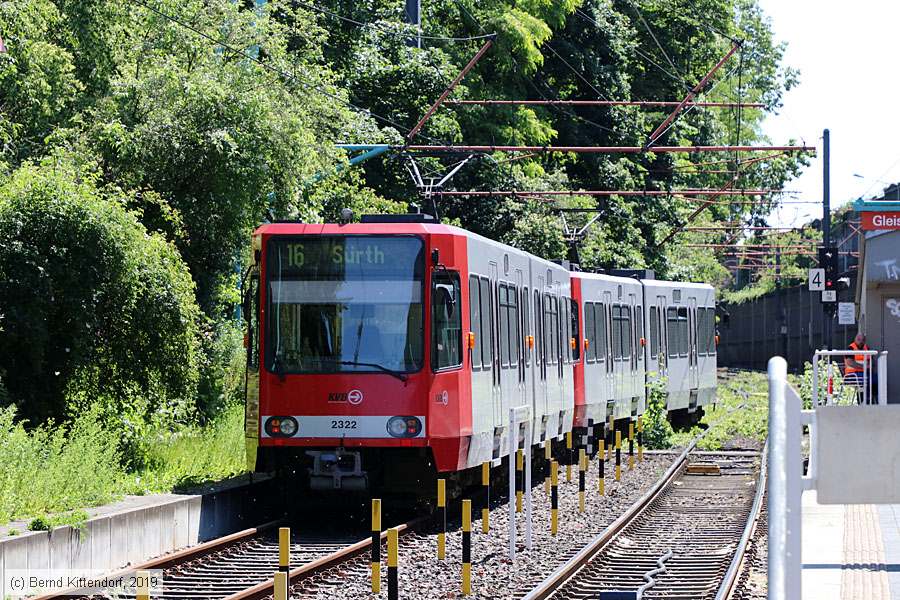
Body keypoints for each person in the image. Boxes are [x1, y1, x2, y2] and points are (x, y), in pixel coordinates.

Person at [844, 332, 875, 401]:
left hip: (864, 374)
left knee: (876, 379)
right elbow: (850, 363)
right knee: (867, 380)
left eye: (863, 340)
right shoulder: (850, 348)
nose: (861, 341)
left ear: (865, 340)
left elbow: (870, 361)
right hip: (852, 374)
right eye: (859, 339)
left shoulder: (867, 348)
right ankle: (865, 401)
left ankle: (872, 400)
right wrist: (864, 367)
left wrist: (869, 365)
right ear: (855, 339)